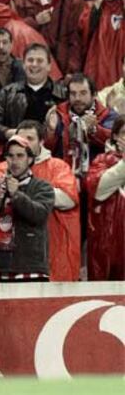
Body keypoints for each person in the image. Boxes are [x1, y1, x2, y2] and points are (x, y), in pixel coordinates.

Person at [0, 121, 80, 282]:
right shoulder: (2, 168)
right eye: (20, 138)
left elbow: (69, 199)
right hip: (11, 252)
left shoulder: (57, 166)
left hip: (54, 243)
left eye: (30, 138)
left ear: (41, 142)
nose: (24, 143)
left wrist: (28, 190)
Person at [0, 135, 55, 282]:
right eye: (10, 156)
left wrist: (16, 195)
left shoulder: (43, 187)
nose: (14, 161)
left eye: (20, 156)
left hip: (31, 268)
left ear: (30, 159)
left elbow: (39, 215)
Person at [14, 0, 84, 76]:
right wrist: (35, 21)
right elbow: (15, 30)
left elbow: (76, 39)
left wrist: (72, 71)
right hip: (31, 66)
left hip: (62, 67)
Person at [0, 42, 66, 144]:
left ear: (49, 66)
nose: (34, 64)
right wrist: (9, 133)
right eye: (30, 60)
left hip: (52, 154)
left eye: (40, 61)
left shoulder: (62, 95)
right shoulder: (8, 93)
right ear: (23, 65)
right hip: (15, 153)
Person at [46, 73, 117, 179]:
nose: (77, 98)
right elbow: (47, 151)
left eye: (83, 93)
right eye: (73, 94)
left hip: (97, 177)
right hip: (64, 176)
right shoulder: (58, 114)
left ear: (93, 95)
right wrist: (51, 132)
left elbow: (115, 143)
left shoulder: (109, 116)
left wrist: (94, 130)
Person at [85, 114, 125, 280]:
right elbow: (98, 190)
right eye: (124, 133)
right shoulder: (102, 160)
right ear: (115, 135)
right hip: (107, 246)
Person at [79, 0, 125, 89]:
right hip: (96, 62)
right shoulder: (91, 7)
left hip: (118, 62)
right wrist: (97, 4)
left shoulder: (122, 8)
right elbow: (84, 29)